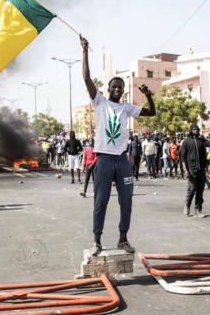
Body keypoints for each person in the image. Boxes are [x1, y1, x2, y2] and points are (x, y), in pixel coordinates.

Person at [81, 35, 156, 255]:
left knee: (127, 201)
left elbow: (151, 112)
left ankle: (123, 238)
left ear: (122, 90)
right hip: (103, 159)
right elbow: (86, 78)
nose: (116, 89)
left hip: (122, 160)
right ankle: (97, 240)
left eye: (119, 87)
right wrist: (84, 51)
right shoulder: (99, 102)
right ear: (108, 88)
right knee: (101, 201)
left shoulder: (126, 108)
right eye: (113, 86)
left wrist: (148, 96)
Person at [180, 124, 210, 218]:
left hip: (201, 169)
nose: (196, 131)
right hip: (191, 169)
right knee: (192, 188)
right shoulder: (186, 142)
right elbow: (183, 157)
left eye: (197, 129)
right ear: (190, 130)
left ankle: (198, 209)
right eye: (194, 129)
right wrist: (186, 170)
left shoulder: (202, 141)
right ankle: (187, 205)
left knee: (200, 190)